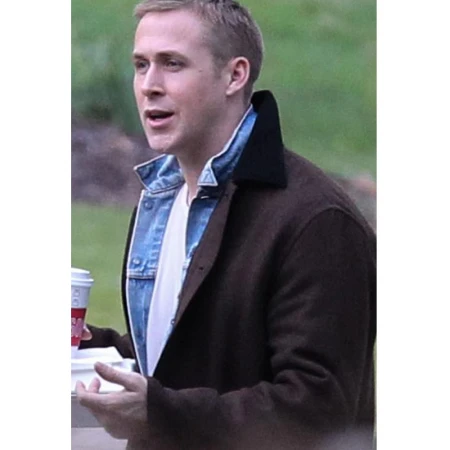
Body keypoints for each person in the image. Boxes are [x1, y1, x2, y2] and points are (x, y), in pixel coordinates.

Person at [75, 1, 376, 449]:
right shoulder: (160, 199)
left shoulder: (317, 221)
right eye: (141, 65)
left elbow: (317, 411)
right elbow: (176, 364)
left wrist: (161, 411)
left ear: (234, 76)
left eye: (172, 64)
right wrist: (86, 346)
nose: (149, 85)